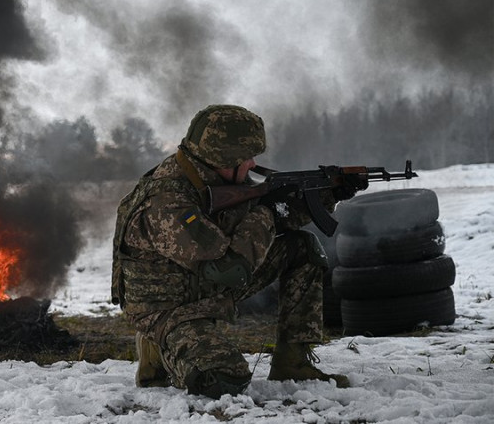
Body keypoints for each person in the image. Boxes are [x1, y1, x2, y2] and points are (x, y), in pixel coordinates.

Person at [111, 104, 353, 399]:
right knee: (224, 380)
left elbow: (271, 216)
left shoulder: (215, 177)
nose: (252, 164)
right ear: (222, 158)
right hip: (167, 307)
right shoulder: (168, 201)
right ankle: (158, 347)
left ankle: (293, 362)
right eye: (245, 157)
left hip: (202, 285)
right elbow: (230, 269)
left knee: (302, 248)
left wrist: (328, 195)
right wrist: (267, 216)